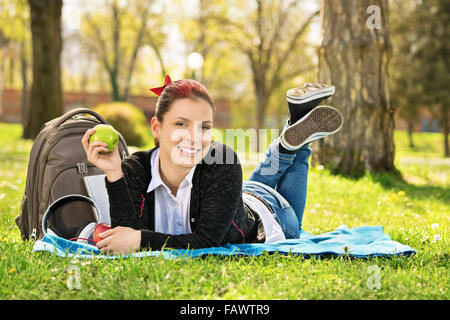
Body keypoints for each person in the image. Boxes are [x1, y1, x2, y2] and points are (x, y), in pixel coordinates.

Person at [81, 76, 343, 255]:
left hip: (274, 216)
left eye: (203, 127)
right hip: (240, 198)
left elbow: (208, 241)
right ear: (157, 128)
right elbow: (125, 233)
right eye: (181, 124)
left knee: (296, 160)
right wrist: (114, 173)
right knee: (256, 183)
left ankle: (298, 141)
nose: (194, 137)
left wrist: (140, 240)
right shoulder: (134, 168)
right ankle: (293, 131)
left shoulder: (221, 162)